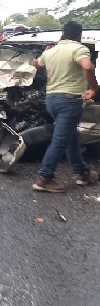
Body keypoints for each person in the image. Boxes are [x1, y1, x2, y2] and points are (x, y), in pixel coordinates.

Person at [31, 21, 98, 192]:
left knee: (70, 136)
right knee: (60, 141)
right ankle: (44, 178)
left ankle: (82, 172)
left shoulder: (51, 51)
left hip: (52, 101)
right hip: (69, 101)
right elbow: (87, 66)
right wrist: (93, 88)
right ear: (79, 35)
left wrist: (43, 57)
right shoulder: (78, 49)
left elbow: (36, 64)